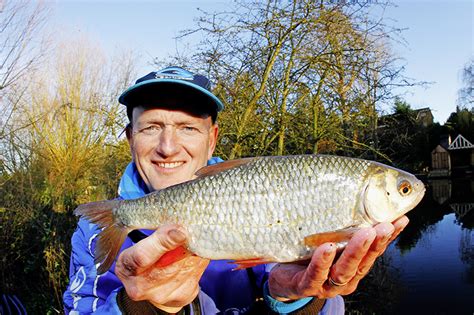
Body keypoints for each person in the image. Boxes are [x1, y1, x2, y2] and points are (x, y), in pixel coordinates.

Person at [63, 66, 410, 314]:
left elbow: (306, 293)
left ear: (212, 139)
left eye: (187, 127)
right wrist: (139, 307)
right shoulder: (95, 230)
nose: (167, 147)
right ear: (130, 138)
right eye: (151, 127)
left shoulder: (252, 197)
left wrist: (295, 299)